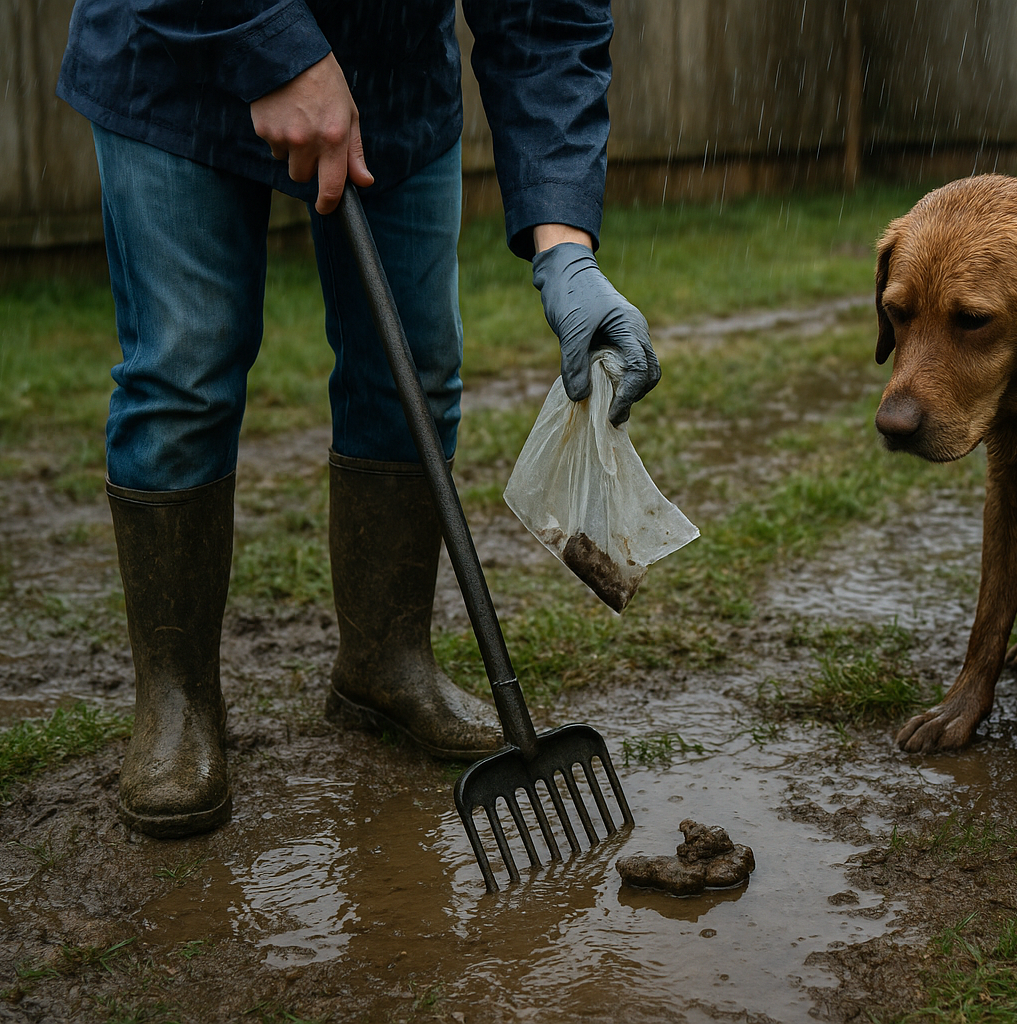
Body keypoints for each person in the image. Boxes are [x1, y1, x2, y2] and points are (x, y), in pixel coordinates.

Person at [57, 0, 660, 839]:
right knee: (184, 371)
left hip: (390, 87)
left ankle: (384, 662)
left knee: (414, 366)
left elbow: (546, 16)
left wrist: (565, 246)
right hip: (179, 50)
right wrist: (273, 50)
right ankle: (176, 698)